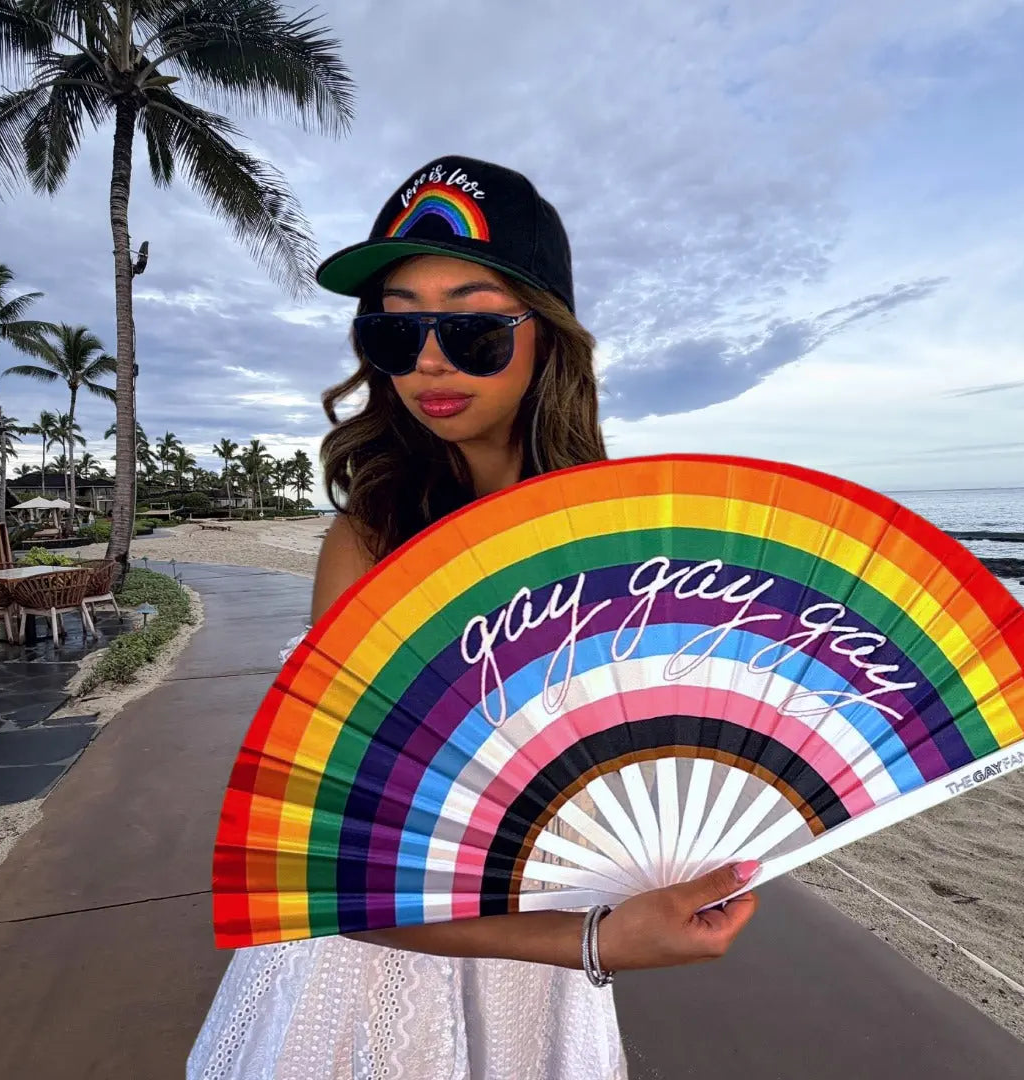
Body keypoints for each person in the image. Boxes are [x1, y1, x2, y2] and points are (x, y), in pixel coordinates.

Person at [188, 155, 760, 1080]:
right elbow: (338, 875)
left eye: (473, 327)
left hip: (546, 979)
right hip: (387, 982)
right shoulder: (371, 540)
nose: (429, 361)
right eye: (394, 329)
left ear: (550, 338)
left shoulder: (614, 545)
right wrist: (594, 945)